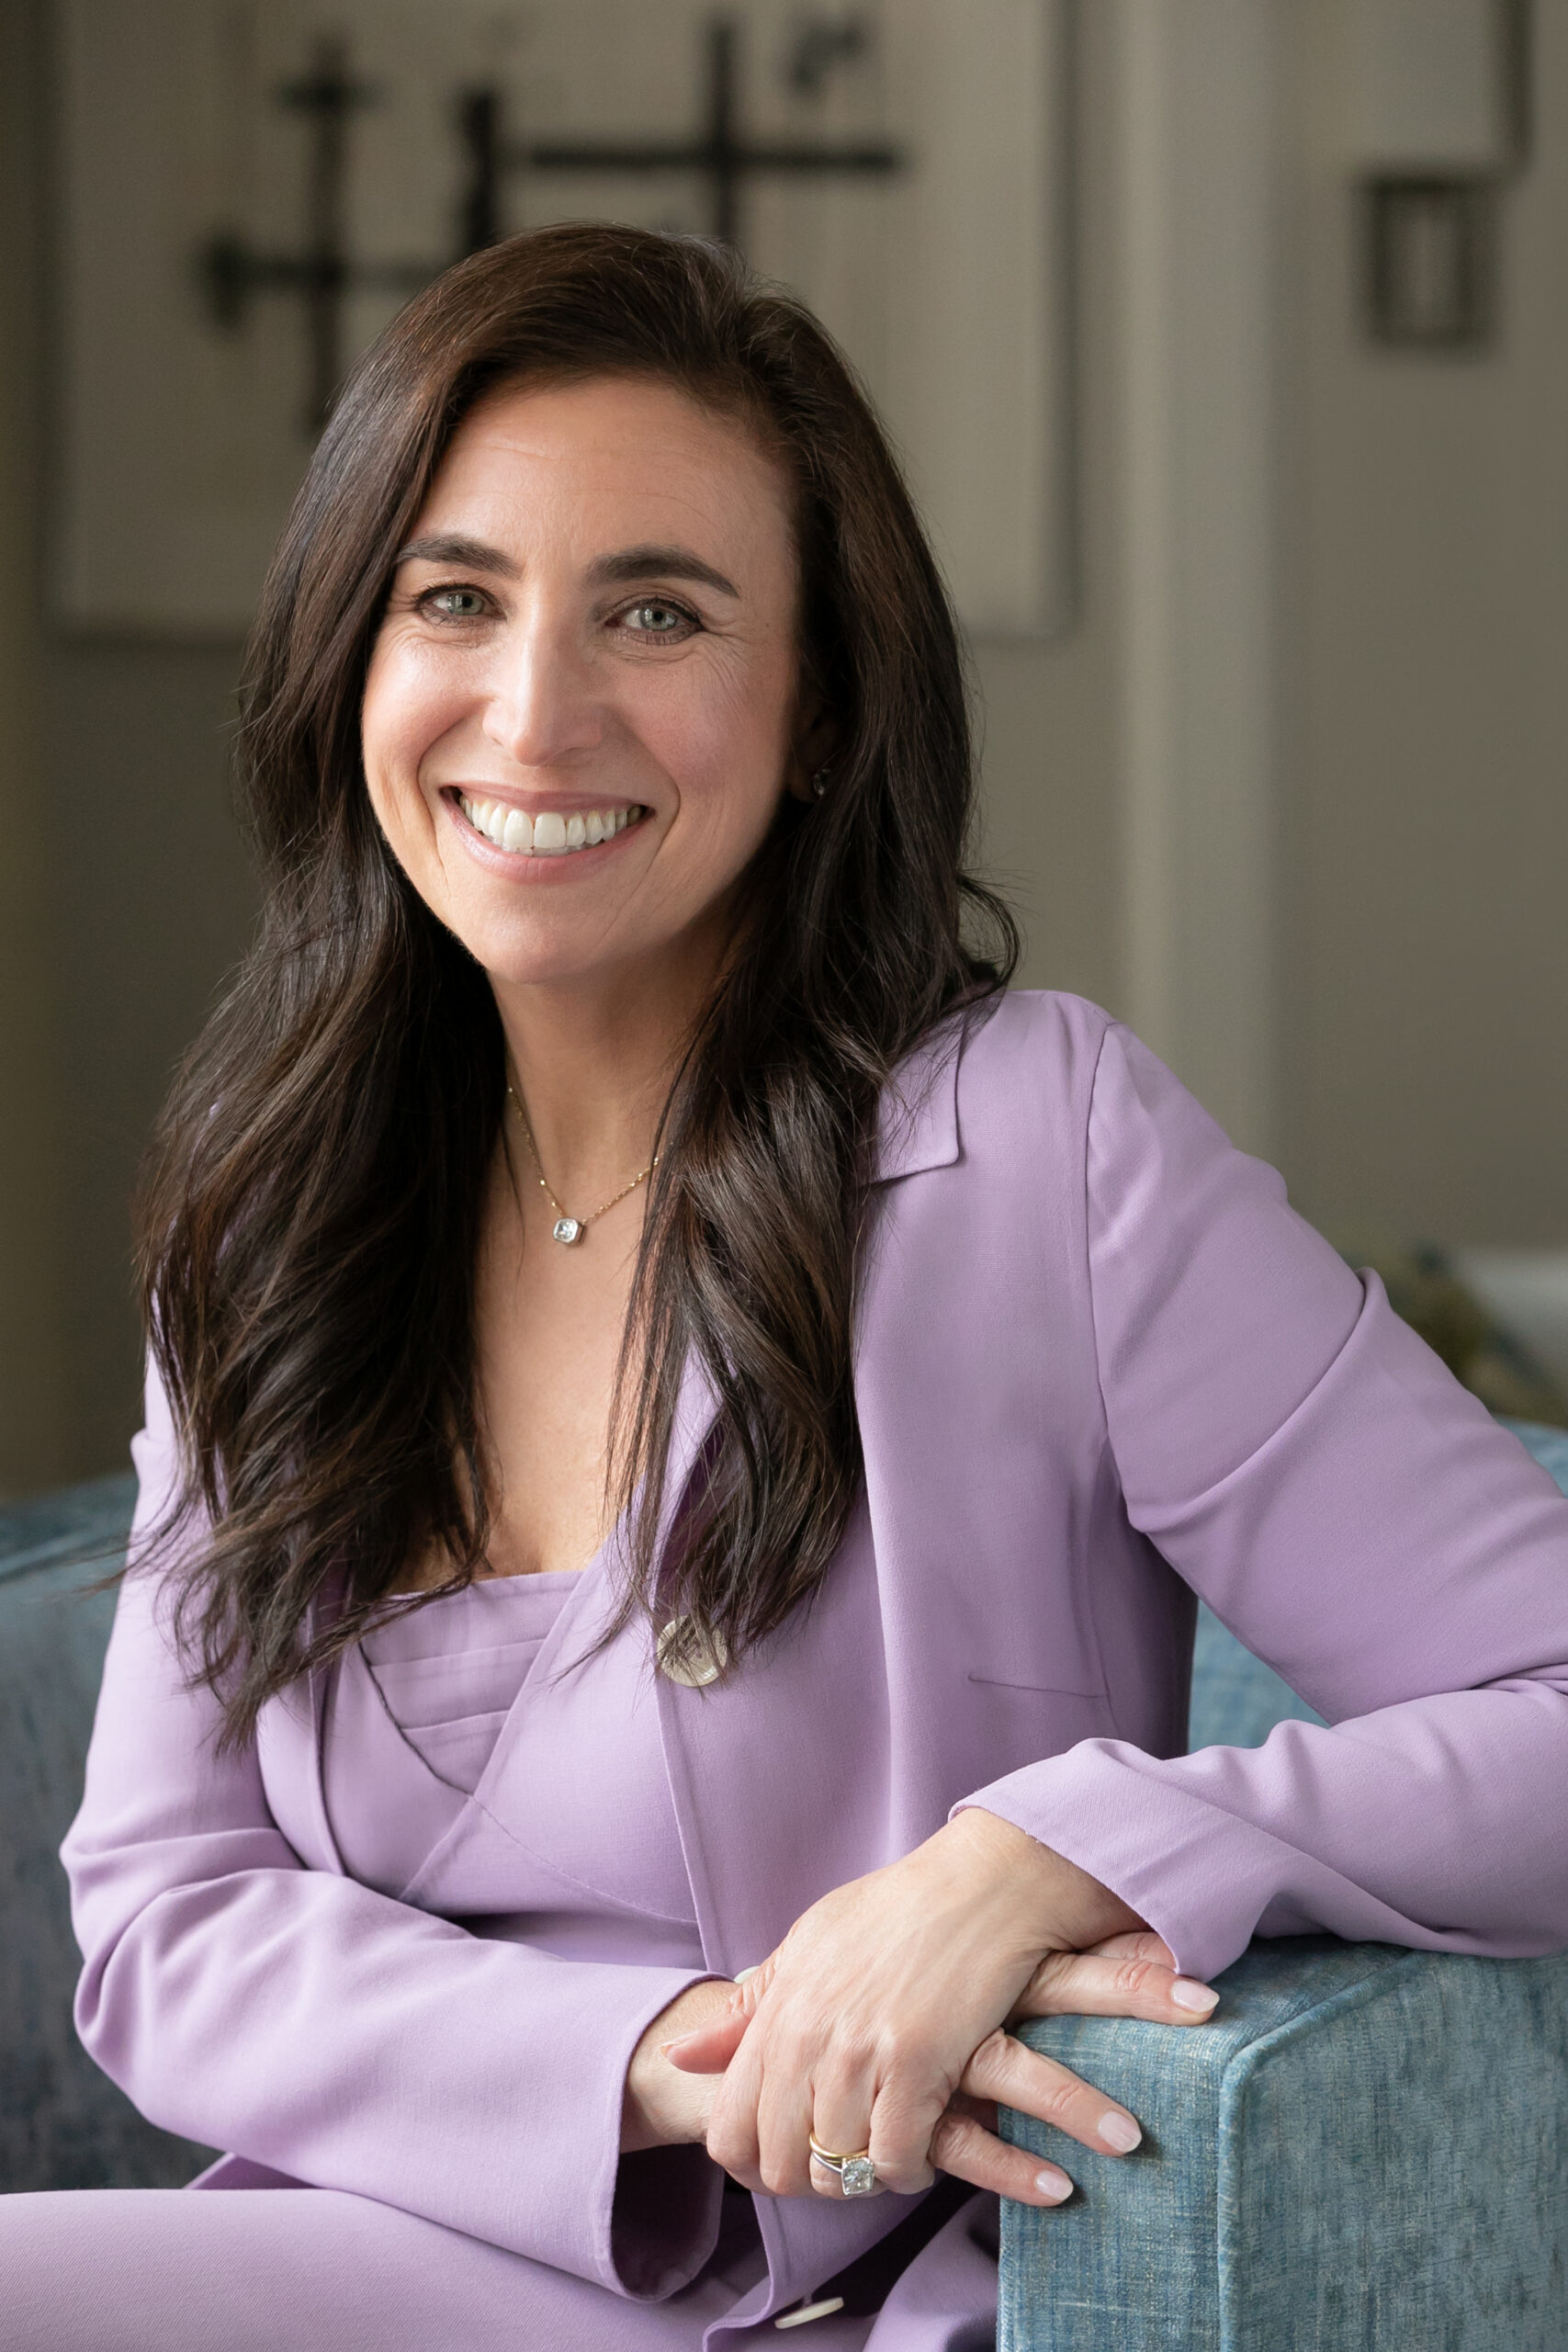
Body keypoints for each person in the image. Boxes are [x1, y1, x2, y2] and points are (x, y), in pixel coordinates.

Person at [6, 223, 1567, 2350]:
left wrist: (1053, 1848)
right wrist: (662, 2052)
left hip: (848, 2300)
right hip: (403, 2234)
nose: (534, 709)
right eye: (453, 597)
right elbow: (164, 1919)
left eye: (655, 608)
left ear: (819, 702)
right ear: (349, 662)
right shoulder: (280, 1211)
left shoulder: (1035, 1151)